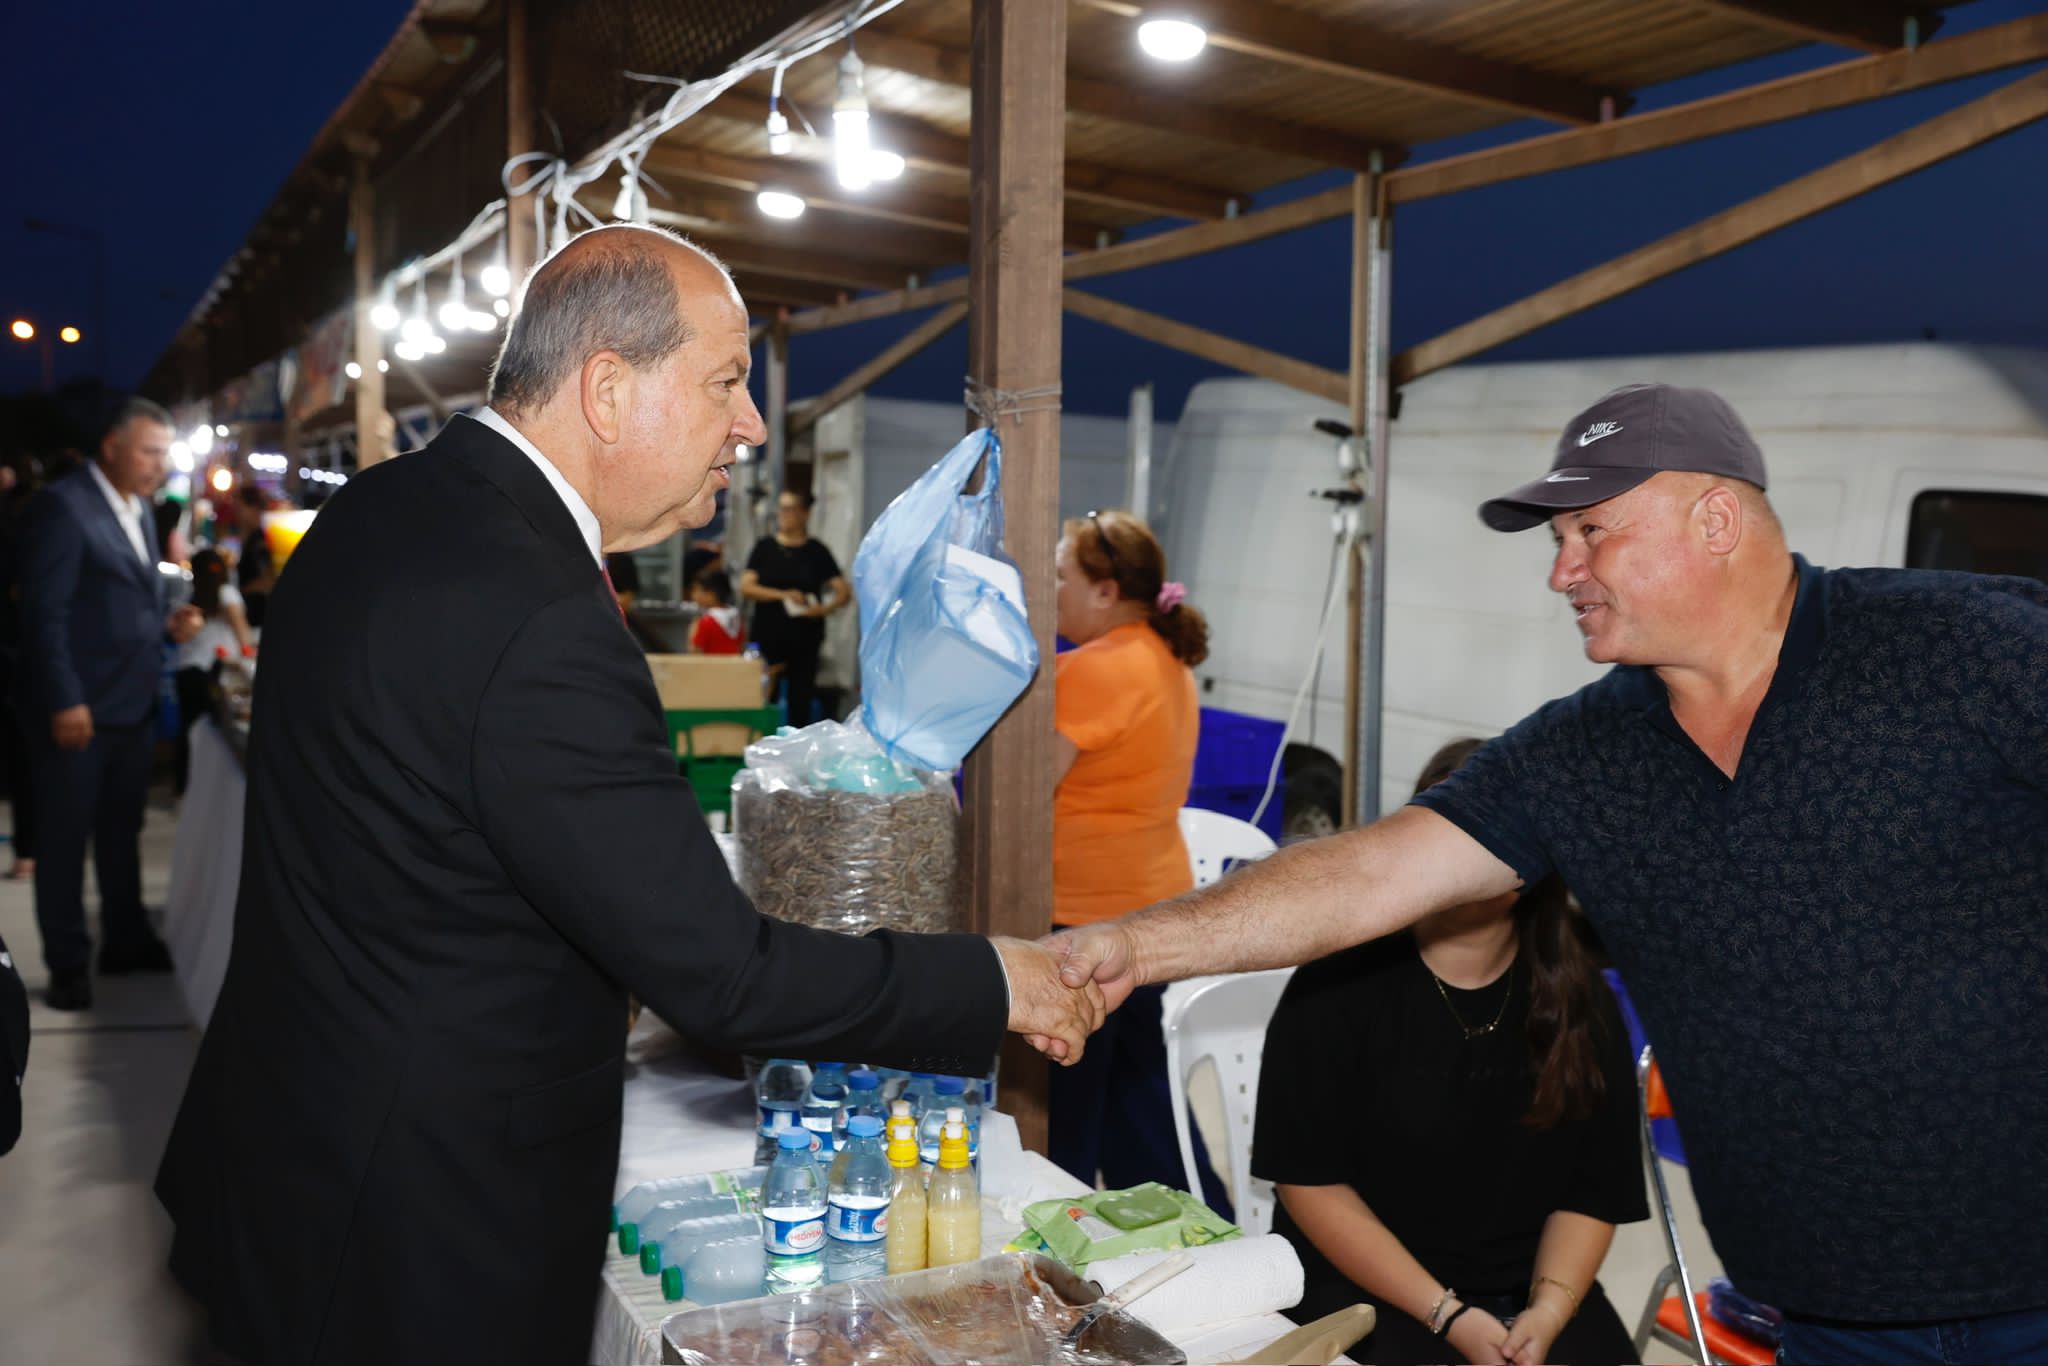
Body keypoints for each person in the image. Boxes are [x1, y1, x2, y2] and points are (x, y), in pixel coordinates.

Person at [155, 224, 1102, 1366]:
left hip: (293, 1151)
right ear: (607, 390)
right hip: (411, 1227)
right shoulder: (536, 609)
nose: (751, 425)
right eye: (723, 382)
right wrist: (992, 976)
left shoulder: (382, 507)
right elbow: (723, 975)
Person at [1048, 383, 2048, 1366]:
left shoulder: (1962, 647)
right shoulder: (1583, 752)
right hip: (1826, 1314)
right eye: (1557, 540)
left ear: (1714, 520)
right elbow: (1368, 874)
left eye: (1592, 532)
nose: (1562, 572)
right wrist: (1132, 945)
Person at [1255, 737, 1644, 1366]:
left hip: (1529, 1287)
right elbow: (1308, 1181)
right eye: (1453, 835)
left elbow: (1593, 1193)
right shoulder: (1337, 983)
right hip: (1365, 1283)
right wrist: (1448, 1315)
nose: (1469, 860)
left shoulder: (1580, 998)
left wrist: (1549, 1309)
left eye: (1496, 837)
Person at [1047, 510, 1231, 1214]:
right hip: (1148, 906)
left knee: (1066, 1105)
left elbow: (1025, 790)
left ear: (1104, 591)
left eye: (1061, 577)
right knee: (1137, 1099)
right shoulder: (1163, 656)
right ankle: (1196, 1227)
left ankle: (1056, 1232)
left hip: (1081, 916)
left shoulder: (1094, 668)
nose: (1052, 591)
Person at [16, 399, 203, 1012]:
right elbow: (44, 615)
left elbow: (128, 597)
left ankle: (125, 939)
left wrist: (169, 622)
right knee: (65, 841)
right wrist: (65, 698)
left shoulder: (139, 506)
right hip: (79, 711)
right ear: (112, 447)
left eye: (163, 453)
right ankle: (67, 963)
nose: (159, 464)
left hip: (132, 701)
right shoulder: (64, 506)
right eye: (149, 451)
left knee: (123, 832)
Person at [741, 489, 850, 727]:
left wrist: (824, 609)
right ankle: (761, 739)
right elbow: (747, 587)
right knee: (763, 696)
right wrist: (782, 595)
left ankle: (797, 742)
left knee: (800, 699)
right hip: (769, 635)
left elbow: (843, 590)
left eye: (790, 509)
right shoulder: (765, 548)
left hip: (805, 638)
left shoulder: (816, 551)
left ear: (805, 513)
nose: (783, 514)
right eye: (781, 508)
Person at [170, 548, 254, 794]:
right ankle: (208, 791)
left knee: (189, 732)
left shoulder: (189, 596)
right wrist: (249, 657)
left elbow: (178, 636)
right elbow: (241, 632)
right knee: (218, 735)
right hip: (212, 672)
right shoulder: (226, 593)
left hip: (186, 670)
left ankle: (185, 787)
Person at [231, 484, 276, 629]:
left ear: (254, 508)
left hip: (260, 618)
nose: (236, 513)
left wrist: (239, 592)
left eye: (239, 508)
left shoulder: (261, 541)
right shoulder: (253, 538)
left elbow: (269, 579)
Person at [688, 567, 744, 654]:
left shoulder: (705, 622)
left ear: (711, 594)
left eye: (696, 590)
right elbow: (740, 648)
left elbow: (695, 652)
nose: (693, 595)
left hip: (710, 662)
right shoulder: (736, 617)